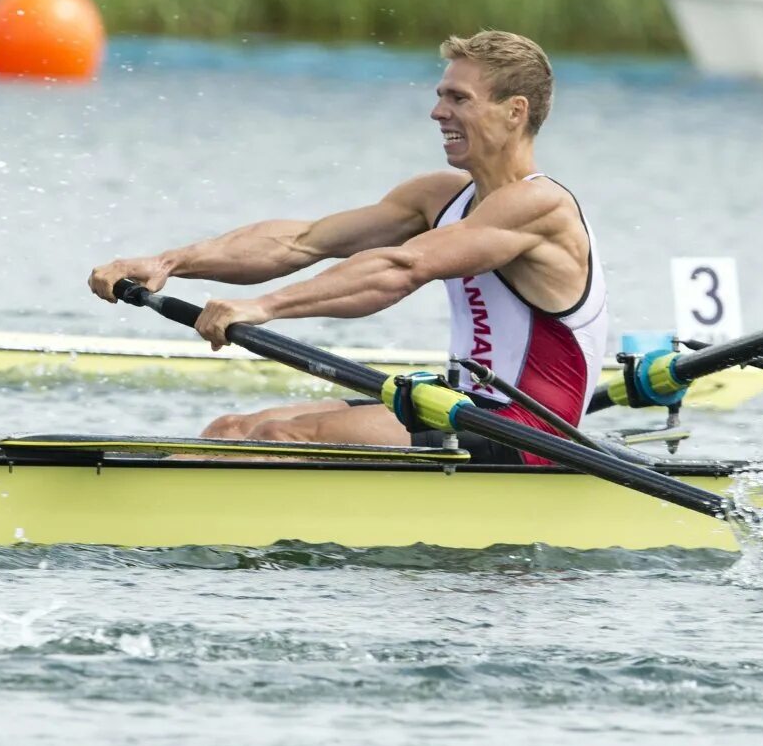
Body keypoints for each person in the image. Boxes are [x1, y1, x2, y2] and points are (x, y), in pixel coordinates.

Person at [89, 30, 607, 463]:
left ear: (514, 112)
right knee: (232, 427)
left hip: (533, 434)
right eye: (440, 95)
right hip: (460, 405)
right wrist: (170, 262)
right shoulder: (438, 196)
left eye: (458, 99)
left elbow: (403, 267)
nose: (436, 112)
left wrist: (265, 306)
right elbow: (300, 242)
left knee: (282, 438)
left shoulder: (541, 206)